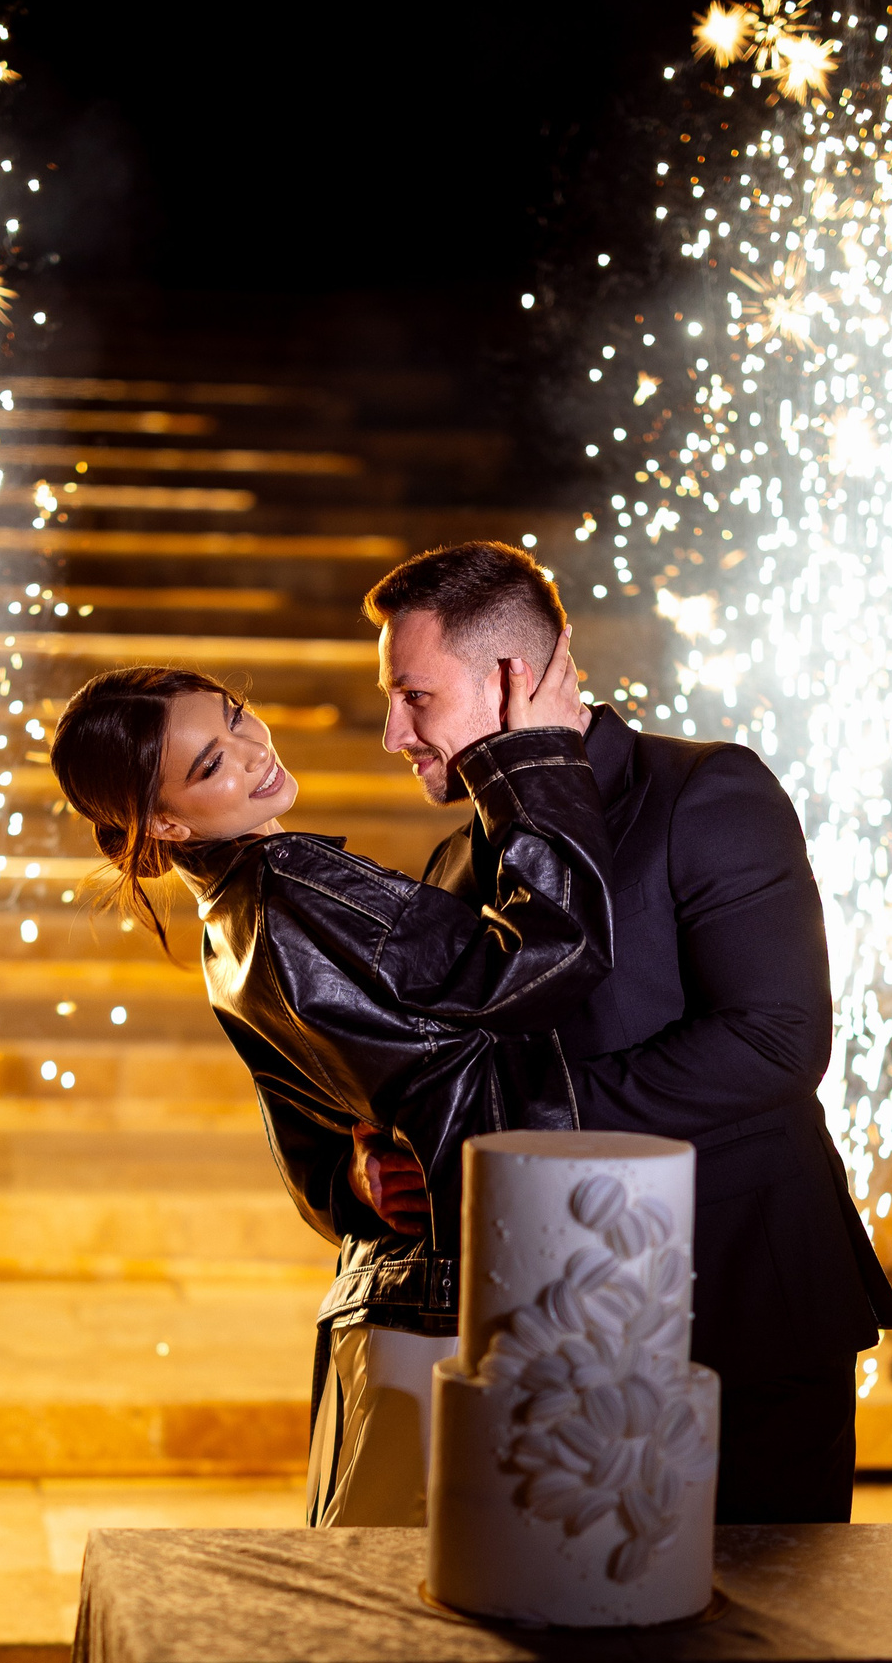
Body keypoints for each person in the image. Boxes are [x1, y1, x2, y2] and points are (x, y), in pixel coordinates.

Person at [262, 540, 892, 1527]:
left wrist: (505, 1132)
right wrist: (368, 1171)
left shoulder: (706, 790)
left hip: (741, 1311)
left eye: (414, 697)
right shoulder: (454, 861)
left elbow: (776, 1039)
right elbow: (428, 1083)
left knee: (767, 1618)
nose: (394, 732)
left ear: (512, 679)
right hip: (548, 1334)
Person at [48, 634, 614, 1526]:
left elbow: (309, 1150)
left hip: (402, 1295)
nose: (252, 752)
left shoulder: (227, 927)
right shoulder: (296, 883)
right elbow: (553, 955)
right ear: (165, 825)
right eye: (210, 765)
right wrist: (535, 757)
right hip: (480, 1287)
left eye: (237, 719)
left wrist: (358, 1176)